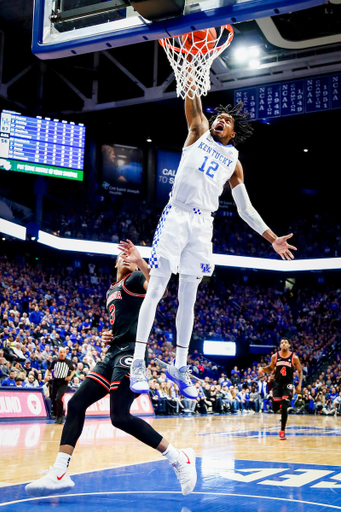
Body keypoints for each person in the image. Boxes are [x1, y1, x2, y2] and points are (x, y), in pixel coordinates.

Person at [129, 79, 297, 398]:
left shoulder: (234, 162)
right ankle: (137, 363)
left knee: (189, 298)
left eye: (228, 120)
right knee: (158, 288)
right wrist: (191, 71)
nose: (221, 120)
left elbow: (245, 209)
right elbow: (192, 100)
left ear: (234, 133)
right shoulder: (198, 131)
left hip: (204, 225)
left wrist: (272, 238)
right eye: (219, 116)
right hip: (176, 215)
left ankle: (180, 366)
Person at [25, 240, 196, 498]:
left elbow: (159, 290)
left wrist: (140, 261)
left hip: (131, 353)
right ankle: (60, 472)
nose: (127, 258)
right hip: (113, 352)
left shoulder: (137, 277)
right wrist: (111, 334)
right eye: (124, 256)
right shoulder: (111, 290)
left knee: (119, 417)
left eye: (131, 255)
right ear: (116, 263)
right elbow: (124, 320)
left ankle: (178, 457)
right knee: (76, 403)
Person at [259, 338, 303, 440]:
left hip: (288, 384)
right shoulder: (275, 356)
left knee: (284, 406)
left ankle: (282, 430)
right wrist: (262, 369)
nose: (283, 344)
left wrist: (299, 384)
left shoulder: (294, 357)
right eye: (282, 342)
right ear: (280, 346)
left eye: (285, 342)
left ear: (288, 346)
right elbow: (270, 368)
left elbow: (300, 371)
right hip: (277, 384)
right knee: (275, 408)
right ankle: (281, 407)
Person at [45, 347, 75, 424]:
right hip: (55, 381)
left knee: (58, 398)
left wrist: (70, 377)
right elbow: (49, 369)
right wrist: (46, 376)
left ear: (65, 353)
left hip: (63, 382)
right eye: (60, 352)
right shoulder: (55, 361)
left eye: (63, 352)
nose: (62, 353)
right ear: (58, 353)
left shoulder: (68, 362)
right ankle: (57, 414)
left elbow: (73, 370)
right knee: (53, 399)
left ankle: (60, 416)